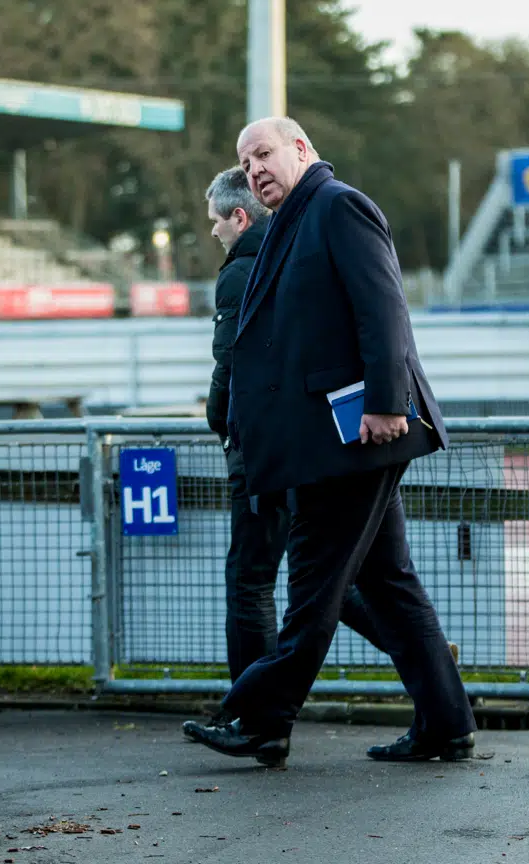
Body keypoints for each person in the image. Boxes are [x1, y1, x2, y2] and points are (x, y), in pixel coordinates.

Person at [184, 118, 475, 767]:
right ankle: (446, 723)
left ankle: (261, 719)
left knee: (314, 591)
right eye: (246, 163)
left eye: (264, 154)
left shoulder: (339, 206)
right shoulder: (292, 222)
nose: (255, 169)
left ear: (301, 149)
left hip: (352, 438)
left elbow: (384, 307)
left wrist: (385, 402)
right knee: (390, 585)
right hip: (335, 439)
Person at [184, 167, 393, 745]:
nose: (213, 233)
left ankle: (254, 717)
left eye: (216, 222)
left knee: (250, 579)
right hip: (302, 441)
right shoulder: (293, 252)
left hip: (257, 447)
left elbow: (230, 364)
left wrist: (220, 422)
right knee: (326, 580)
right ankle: (421, 655)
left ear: (239, 217)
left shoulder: (240, 271)